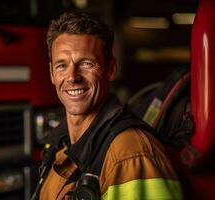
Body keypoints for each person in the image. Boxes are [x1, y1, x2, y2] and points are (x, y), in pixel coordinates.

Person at [37, 12, 183, 200]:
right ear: (51, 73)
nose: (72, 77)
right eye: (61, 66)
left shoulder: (131, 155)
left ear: (111, 69)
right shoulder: (60, 148)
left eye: (86, 63)